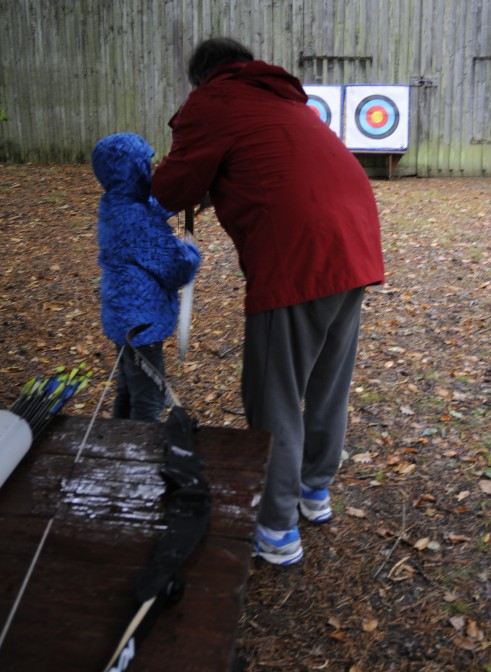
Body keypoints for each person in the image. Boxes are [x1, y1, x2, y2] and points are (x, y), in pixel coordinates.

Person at [152, 37, 384, 564]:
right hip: (355, 245)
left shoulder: (213, 102)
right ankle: (313, 492)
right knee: (327, 381)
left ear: (203, 78)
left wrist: (132, 193)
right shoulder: (280, 100)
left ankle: (278, 528)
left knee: (273, 392)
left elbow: (171, 189)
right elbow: (266, 166)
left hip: (297, 257)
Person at [92, 132, 201, 422]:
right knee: (149, 400)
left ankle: (116, 444)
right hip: (140, 325)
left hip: (123, 319)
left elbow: (149, 206)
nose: (150, 171)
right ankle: (137, 456)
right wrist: (190, 250)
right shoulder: (135, 220)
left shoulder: (116, 204)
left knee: (129, 389)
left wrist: (179, 197)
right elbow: (173, 266)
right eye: (145, 166)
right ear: (134, 171)